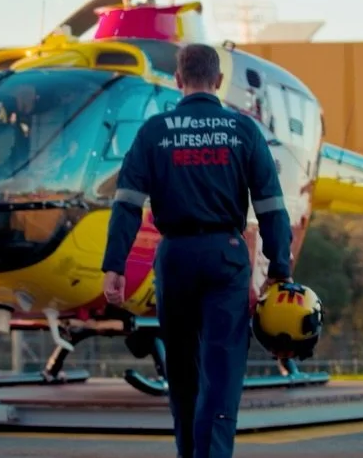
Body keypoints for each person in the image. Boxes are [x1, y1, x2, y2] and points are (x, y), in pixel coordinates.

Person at [100, 43, 293, 458]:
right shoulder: (243, 130)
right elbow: (272, 206)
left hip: (175, 259)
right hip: (225, 257)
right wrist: (280, 269)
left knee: (184, 376)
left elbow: (127, 203)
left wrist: (114, 264)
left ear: (178, 81)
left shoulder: (153, 132)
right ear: (219, 82)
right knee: (220, 377)